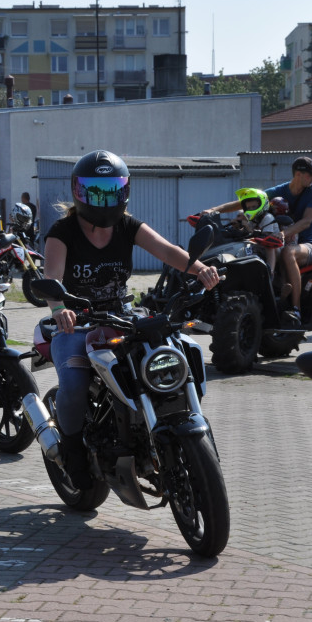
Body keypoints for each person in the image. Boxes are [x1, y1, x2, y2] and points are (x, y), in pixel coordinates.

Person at [44, 150, 220, 489]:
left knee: (179, 348)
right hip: (77, 323)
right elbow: (53, 278)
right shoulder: (62, 231)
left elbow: (168, 251)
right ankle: (72, 452)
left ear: (124, 191)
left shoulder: (127, 225)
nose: (104, 198)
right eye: (95, 190)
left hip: (121, 316)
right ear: (79, 192)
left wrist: (200, 269)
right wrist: (57, 308)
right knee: (75, 385)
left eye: (112, 189)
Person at [201, 156, 312, 324]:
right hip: (280, 241)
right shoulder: (280, 190)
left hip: (309, 244)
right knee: (249, 247)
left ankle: (296, 310)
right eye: (311, 175)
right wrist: (214, 210)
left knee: (288, 252)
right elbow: (245, 202)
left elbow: (307, 221)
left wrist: (284, 233)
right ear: (298, 174)